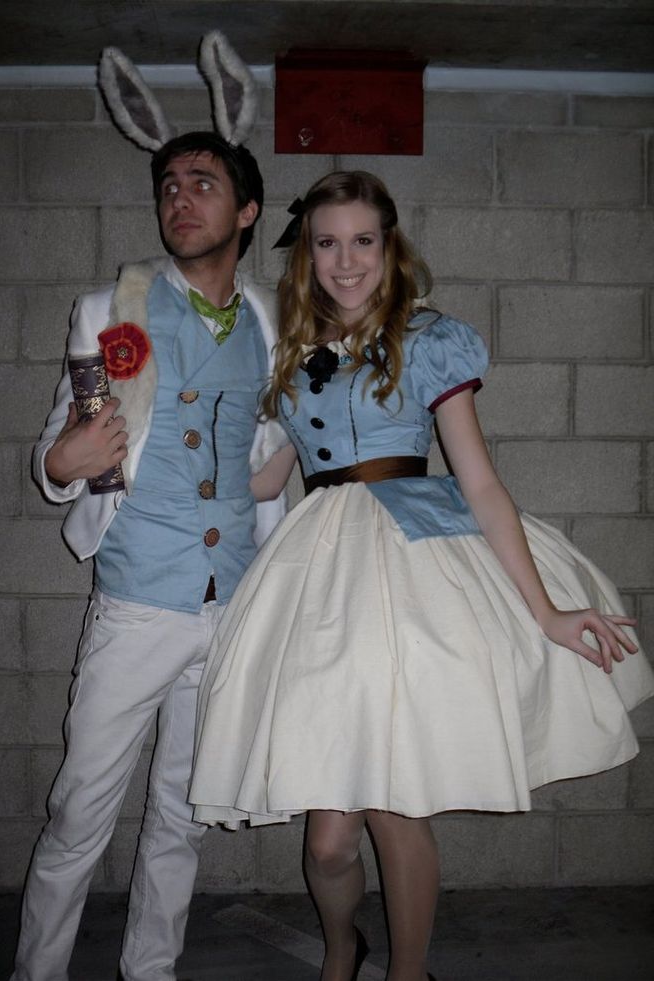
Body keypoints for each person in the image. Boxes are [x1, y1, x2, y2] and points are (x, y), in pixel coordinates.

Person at [189, 170, 654, 981]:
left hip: (412, 559)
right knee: (330, 834)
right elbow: (266, 478)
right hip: (321, 579)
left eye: (362, 240)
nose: (345, 260)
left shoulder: (429, 338)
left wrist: (545, 612)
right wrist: (162, 461)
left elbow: (478, 480)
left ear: (389, 245)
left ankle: (409, 973)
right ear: (308, 254)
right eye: (327, 242)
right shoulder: (294, 354)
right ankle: (342, 947)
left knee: (398, 798)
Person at [11, 131, 287, 981]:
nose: (179, 197)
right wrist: (63, 463)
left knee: (181, 812)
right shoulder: (113, 309)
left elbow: (263, 458)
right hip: (136, 604)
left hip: (228, 606)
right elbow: (60, 452)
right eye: (168, 184)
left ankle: (151, 969)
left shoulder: (272, 320)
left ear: (244, 212)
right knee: (78, 811)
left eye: (203, 183)